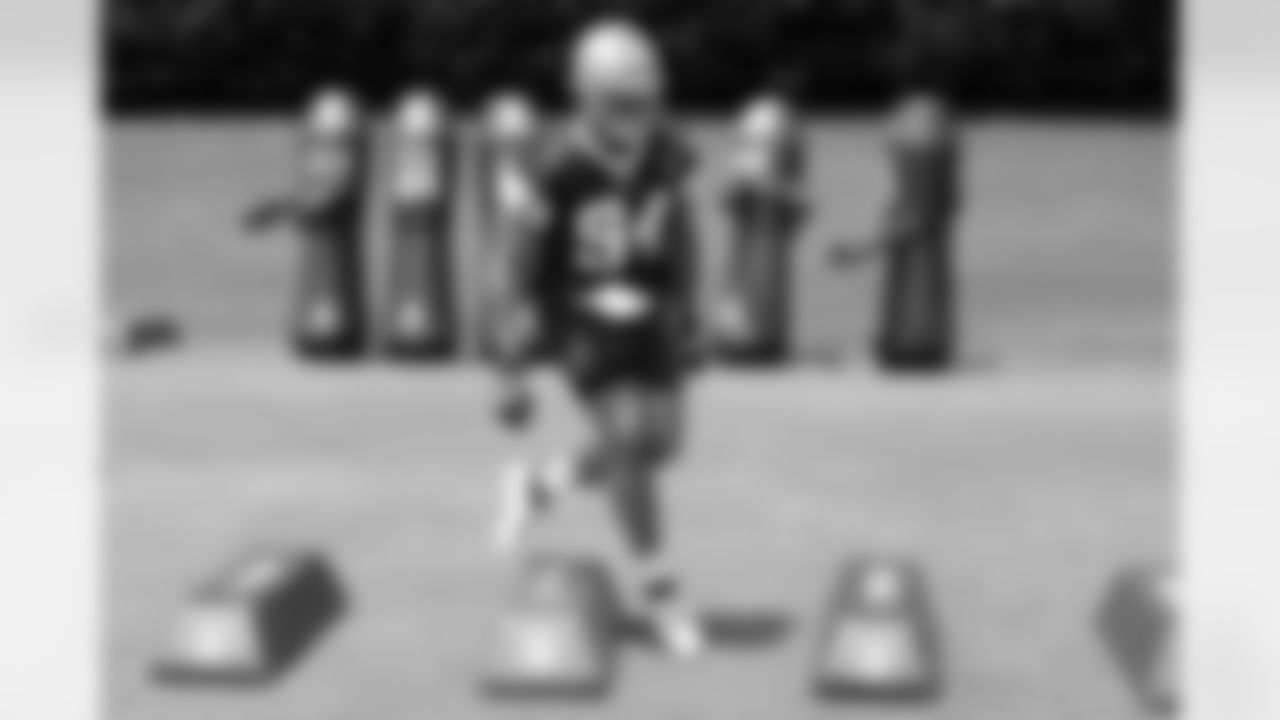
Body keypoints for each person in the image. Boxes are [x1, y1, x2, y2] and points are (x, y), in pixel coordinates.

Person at [488, 18, 705, 658]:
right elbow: (513, 265)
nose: (636, 113)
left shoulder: (667, 149)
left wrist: (689, 307)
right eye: (622, 101)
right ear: (586, 96)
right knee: (631, 433)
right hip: (578, 313)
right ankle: (660, 587)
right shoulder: (553, 165)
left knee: (659, 444)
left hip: (648, 308)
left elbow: (685, 229)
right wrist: (510, 366)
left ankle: (539, 486)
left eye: (644, 99)